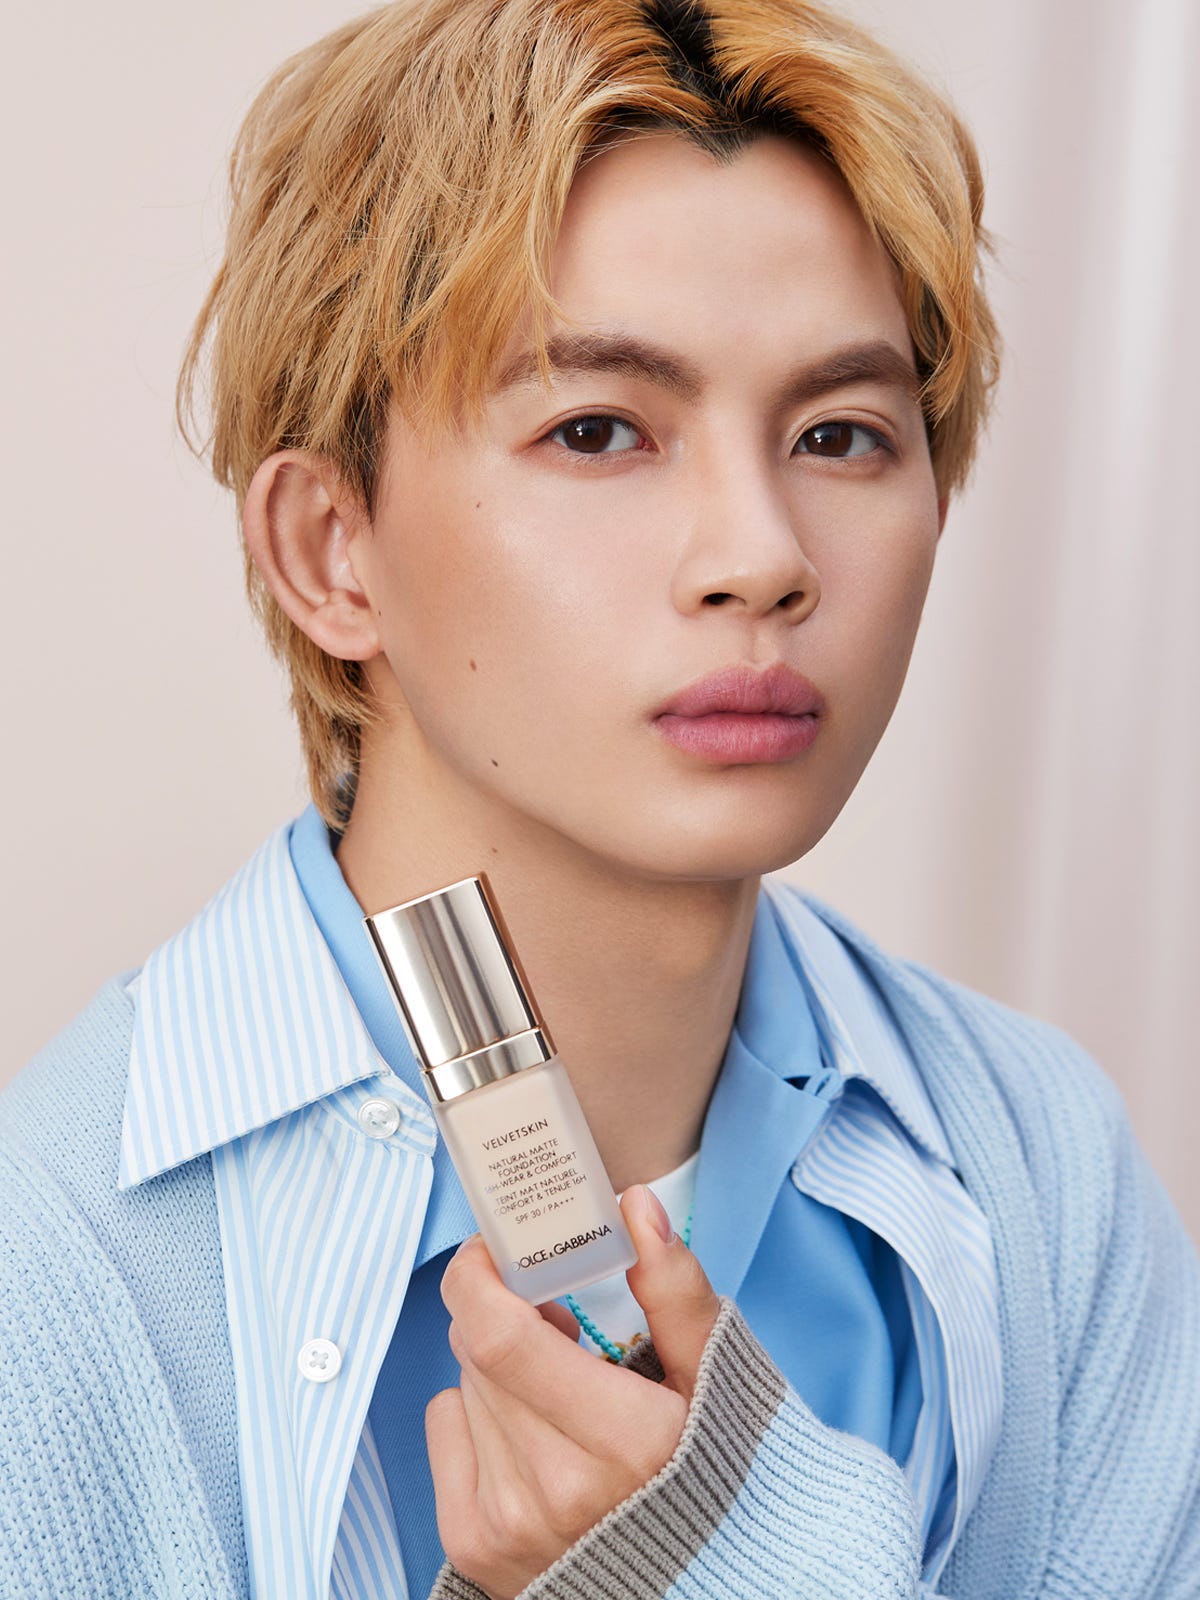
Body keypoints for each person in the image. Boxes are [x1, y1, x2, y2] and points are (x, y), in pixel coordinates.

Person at [2, 0, 1198, 1596]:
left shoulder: (1043, 1169)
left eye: (842, 434)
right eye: (598, 429)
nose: (762, 556)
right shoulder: (55, 1265)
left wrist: (734, 1559)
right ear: (329, 551)